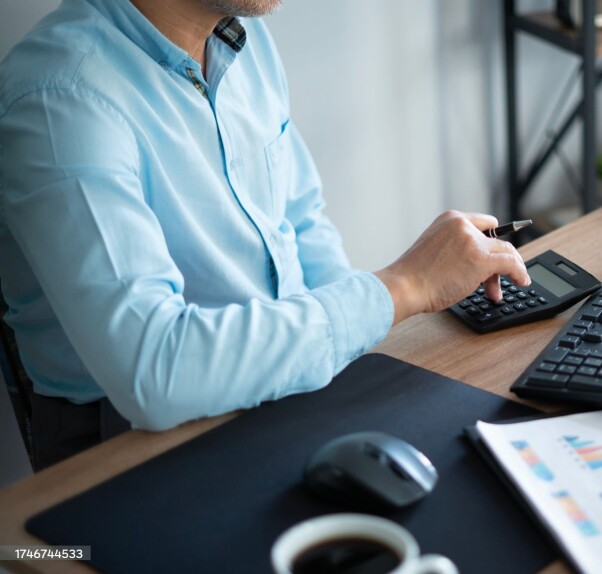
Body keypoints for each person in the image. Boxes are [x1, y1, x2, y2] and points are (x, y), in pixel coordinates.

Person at [0, 0, 530, 467]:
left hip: (286, 382)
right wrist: (402, 288)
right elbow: (155, 371)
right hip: (127, 442)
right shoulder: (60, 98)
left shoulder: (242, 42)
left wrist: (362, 360)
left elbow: (300, 222)